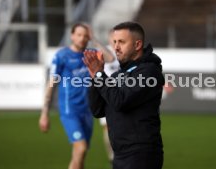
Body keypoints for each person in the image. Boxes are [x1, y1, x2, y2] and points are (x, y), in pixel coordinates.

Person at [83, 21, 164, 169]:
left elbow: (120, 101)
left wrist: (99, 74)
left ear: (137, 45)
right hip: (120, 154)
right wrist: (94, 76)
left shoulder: (149, 72)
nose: (116, 47)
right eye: (114, 42)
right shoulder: (117, 75)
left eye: (121, 42)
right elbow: (98, 110)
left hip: (141, 155)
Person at [38, 22, 114, 169]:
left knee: (79, 155)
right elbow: (51, 84)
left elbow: (110, 58)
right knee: (81, 148)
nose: (82, 38)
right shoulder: (62, 56)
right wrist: (44, 113)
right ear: (72, 36)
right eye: (79, 35)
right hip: (70, 110)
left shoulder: (91, 53)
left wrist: (94, 39)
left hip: (88, 111)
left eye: (85, 36)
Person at [99, 29, 119, 162]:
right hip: (106, 95)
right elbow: (110, 59)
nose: (115, 42)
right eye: (113, 38)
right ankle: (112, 155)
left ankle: (119, 154)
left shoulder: (125, 52)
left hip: (122, 94)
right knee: (108, 128)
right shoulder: (104, 51)